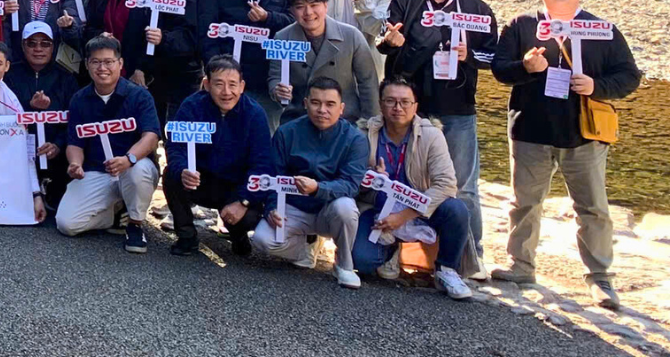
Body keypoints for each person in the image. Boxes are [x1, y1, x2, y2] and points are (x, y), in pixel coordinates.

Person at [492, 0, 642, 309]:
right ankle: (521, 266)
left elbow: (629, 76)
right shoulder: (521, 25)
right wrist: (525, 67)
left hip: (584, 135)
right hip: (530, 130)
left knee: (592, 208)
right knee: (524, 204)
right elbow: (499, 69)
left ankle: (600, 277)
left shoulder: (601, 29)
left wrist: (596, 86)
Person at [380, 0, 497, 274]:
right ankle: (398, 251)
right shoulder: (404, 4)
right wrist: (390, 41)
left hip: (457, 108)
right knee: (405, 181)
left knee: (464, 187)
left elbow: (494, 56)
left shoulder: (476, 9)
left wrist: (469, 56)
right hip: (410, 111)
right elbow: (384, 43)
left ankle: (472, 256)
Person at [354, 78, 477, 299]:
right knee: (362, 262)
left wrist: (404, 215)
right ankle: (391, 250)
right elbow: (351, 181)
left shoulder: (431, 135)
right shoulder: (365, 133)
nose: (397, 108)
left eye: (404, 102)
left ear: (415, 106)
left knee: (456, 209)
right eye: (390, 101)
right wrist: (369, 179)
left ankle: (446, 269)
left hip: (420, 208)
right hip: (378, 209)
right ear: (380, 104)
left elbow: (446, 184)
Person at [259, 78, 368, 289]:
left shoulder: (356, 139)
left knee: (346, 208)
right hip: (294, 206)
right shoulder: (287, 132)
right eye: (316, 103)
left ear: (341, 108)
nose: (322, 110)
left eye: (330, 104)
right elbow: (273, 175)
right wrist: (272, 207)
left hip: (330, 208)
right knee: (263, 240)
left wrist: (318, 188)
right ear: (305, 103)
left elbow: (351, 184)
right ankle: (305, 249)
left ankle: (344, 264)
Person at [57, 35, 161, 253]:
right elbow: (75, 142)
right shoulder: (79, 99)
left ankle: (135, 224)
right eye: (95, 62)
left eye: (108, 61)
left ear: (120, 64)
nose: (102, 68)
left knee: (138, 170)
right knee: (67, 224)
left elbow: (151, 137)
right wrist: (75, 164)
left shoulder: (139, 95)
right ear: (87, 65)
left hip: (132, 166)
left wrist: (128, 159)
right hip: (96, 170)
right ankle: (115, 214)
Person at [163, 56, 274, 257]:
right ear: (206, 85)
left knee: (249, 216)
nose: (226, 92)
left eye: (232, 85)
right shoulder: (192, 106)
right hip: (200, 180)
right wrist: (183, 170)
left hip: (235, 185)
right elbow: (176, 146)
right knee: (171, 174)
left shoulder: (255, 114)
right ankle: (186, 235)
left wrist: (244, 201)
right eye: (219, 84)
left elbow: (262, 164)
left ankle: (238, 235)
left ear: (242, 86)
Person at [196, 0, 290, 120]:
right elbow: (206, 38)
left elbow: (293, 24)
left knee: (265, 135)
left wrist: (268, 17)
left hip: (267, 83)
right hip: (226, 85)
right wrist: (218, 75)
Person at [272, 0, 379, 124]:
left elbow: (368, 83)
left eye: (314, 5)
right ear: (291, 10)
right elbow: (275, 76)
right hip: (299, 118)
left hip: (345, 119)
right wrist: (278, 90)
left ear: (325, 5)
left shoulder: (351, 36)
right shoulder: (282, 38)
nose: (308, 12)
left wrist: (368, 123)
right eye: (300, 6)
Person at [4, 24, 74, 223]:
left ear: (53, 47)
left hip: (56, 152)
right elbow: (2, 114)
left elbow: (75, 120)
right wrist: (30, 107)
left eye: (45, 44)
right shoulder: (9, 74)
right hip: (18, 148)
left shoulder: (66, 77)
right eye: (32, 43)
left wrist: (58, 145)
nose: (38, 49)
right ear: (23, 46)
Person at [138, 0, 203, 119]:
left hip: (181, 76)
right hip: (153, 76)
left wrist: (164, 38)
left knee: (175, 129)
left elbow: (192, 36)